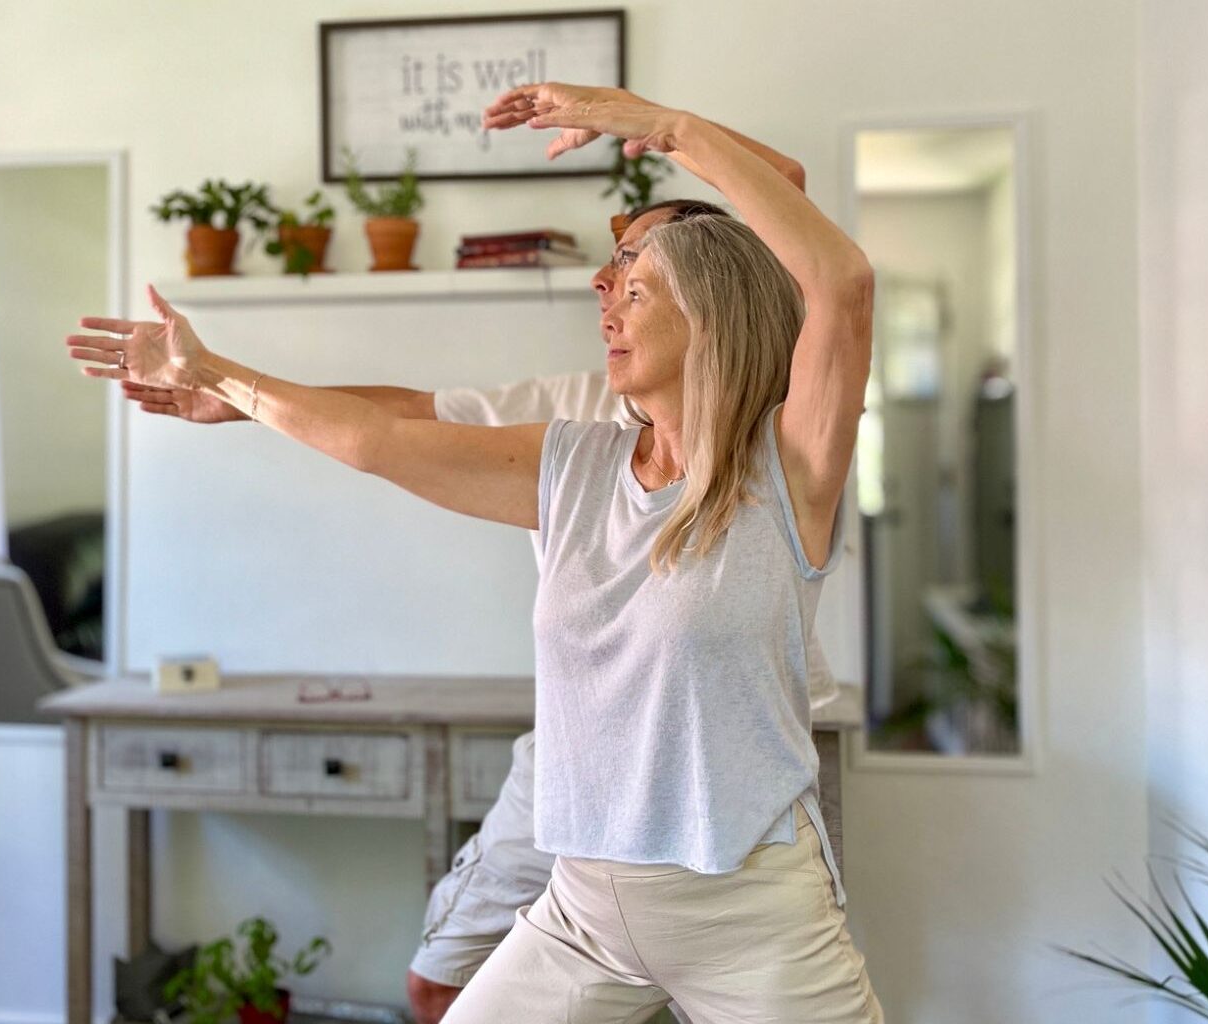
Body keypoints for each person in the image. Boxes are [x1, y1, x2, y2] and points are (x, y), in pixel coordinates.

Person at [68, 85, 880, 1022]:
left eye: (633, 277)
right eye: (607, 277)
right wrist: (217, 376)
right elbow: (383, 437)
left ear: (710, 311)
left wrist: (657, 124)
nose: (602, 294)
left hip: (749, 913)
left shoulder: (790, 469)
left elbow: (838, 279)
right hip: (586, 906)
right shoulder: (571, 455)